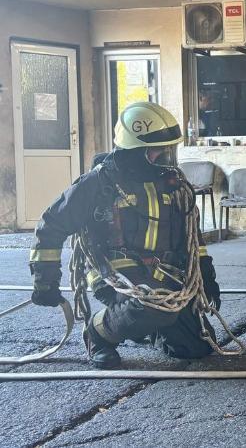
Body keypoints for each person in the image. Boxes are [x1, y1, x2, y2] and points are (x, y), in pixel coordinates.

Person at [28, 102, 221, 369]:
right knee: (154, 306)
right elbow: (51, 226)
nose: (165, 157)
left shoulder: (173, 185)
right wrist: (45, 281)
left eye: (168, 149)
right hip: (114, 273)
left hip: (166, 275)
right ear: (135, 150)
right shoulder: (97, 184)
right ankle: (99, 333)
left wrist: (206, 276)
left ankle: (148, 326)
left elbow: (192, 238)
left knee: (196, 346)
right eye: (157, 151)